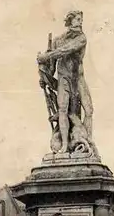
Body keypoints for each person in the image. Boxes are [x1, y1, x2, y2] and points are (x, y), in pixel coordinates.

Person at [37, 11, 93, 153]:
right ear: (70, 21)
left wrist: (46, 56)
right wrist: (44, 77)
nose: (80, 22)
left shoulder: (81, 38)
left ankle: (88, 140)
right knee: (62, 110)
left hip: (78, 79)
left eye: (81, 19)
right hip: (63, 79)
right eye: (78, 19)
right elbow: (51, 66)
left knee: (89, 110)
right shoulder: (57, 40)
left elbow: (66, 50)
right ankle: (64, 145)